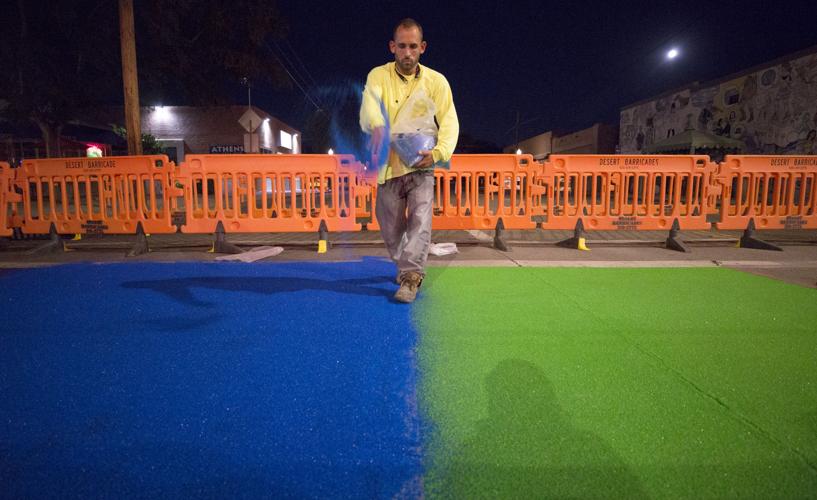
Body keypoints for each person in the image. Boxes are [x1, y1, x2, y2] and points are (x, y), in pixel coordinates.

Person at [359, 18, 459, 303]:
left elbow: (449, 121)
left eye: (413, 46)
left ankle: (411, 277)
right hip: (388, 166)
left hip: (422, 164)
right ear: (392, 47)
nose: (407, 52)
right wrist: (377, 124)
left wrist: (438, 153)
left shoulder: (436, 82)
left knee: (420, 221)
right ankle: (404, 265)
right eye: (401, 46)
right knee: (390, 230)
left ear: (422, 47)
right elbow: (369, 104)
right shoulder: (378, 76)